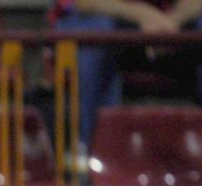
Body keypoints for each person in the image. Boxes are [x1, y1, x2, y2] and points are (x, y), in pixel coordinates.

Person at [54, 0, 202, 149]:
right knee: (95, 29)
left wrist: (168, 24)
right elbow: (85, 3)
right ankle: (97, 152)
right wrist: (143, 14)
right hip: (106, 18)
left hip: (169, 21)